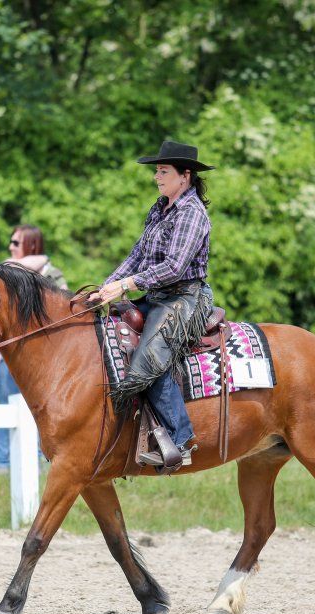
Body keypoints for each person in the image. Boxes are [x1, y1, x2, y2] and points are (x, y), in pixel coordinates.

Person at [87, 140, 215, 469]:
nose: (156, 177)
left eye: (163, 171)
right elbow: (136, 256)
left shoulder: (191, 213)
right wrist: (105, 288)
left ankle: (180, 438)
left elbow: (173, 267)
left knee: (150, 356)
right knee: (109, 332)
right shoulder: (160, 207)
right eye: (156, 171)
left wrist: (126, 286)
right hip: (157, 296)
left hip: (184, 298)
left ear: (184, 176)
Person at [0, 224, 67, 474]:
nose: (10, 246)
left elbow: (64, 306)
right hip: (8, 356)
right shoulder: (4, 274)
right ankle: (2, 461)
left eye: (16, 242)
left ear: (31, 245)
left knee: (40, 409)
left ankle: (38, 459)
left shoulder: (52, 274)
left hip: (43, 358)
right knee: (5, 406)